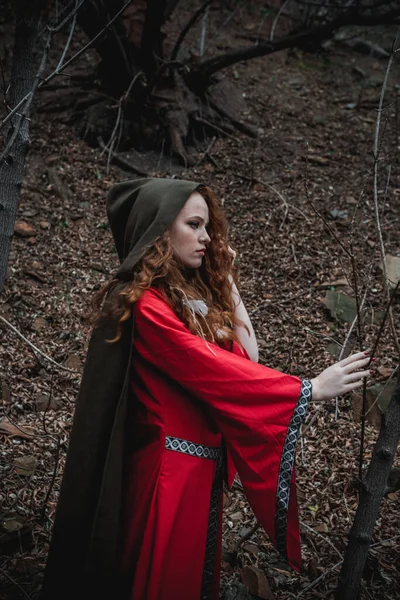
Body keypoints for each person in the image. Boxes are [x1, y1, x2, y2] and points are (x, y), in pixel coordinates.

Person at [40, 177, 370, 600]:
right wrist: (309, 389)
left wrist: (226, 275)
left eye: (208, 227)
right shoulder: (146, 307)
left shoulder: (186, 300)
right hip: (167, 480)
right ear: (160, 229)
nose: (206, 237)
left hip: (197, 479)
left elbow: (246, 355)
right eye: (195, 225)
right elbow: (212, 370)